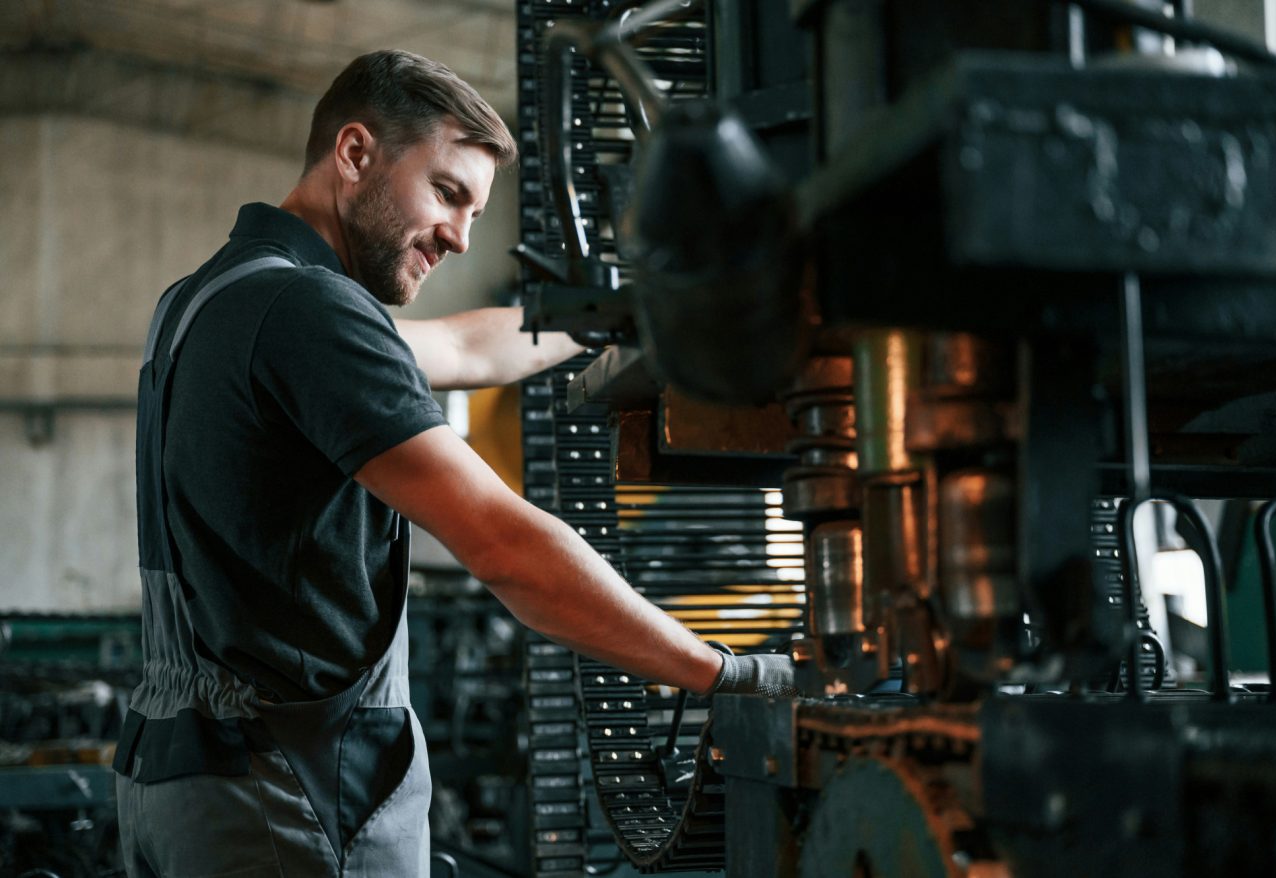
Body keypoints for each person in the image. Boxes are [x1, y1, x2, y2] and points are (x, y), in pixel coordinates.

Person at [113, 49, 793, 877]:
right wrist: (726, 673)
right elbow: (503, 544)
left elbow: (463, 346)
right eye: (447, 194)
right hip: (285, 801)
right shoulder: (310, 311)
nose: (463, 238)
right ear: (355, 153)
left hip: (178, 782)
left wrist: (626, 308)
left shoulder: (210, 299)